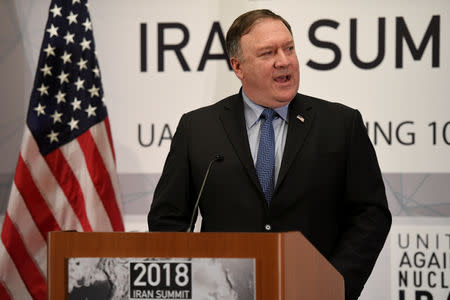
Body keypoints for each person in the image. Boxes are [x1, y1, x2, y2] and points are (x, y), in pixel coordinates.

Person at [148, 9, 391, 300]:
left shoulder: (340, 124)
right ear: (238, 67)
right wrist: (194, 285)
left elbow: (370, 215)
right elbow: (168, 219)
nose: (284, 61)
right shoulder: (198, 128)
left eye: (289, 48)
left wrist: (335, 284)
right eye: (268, 53)